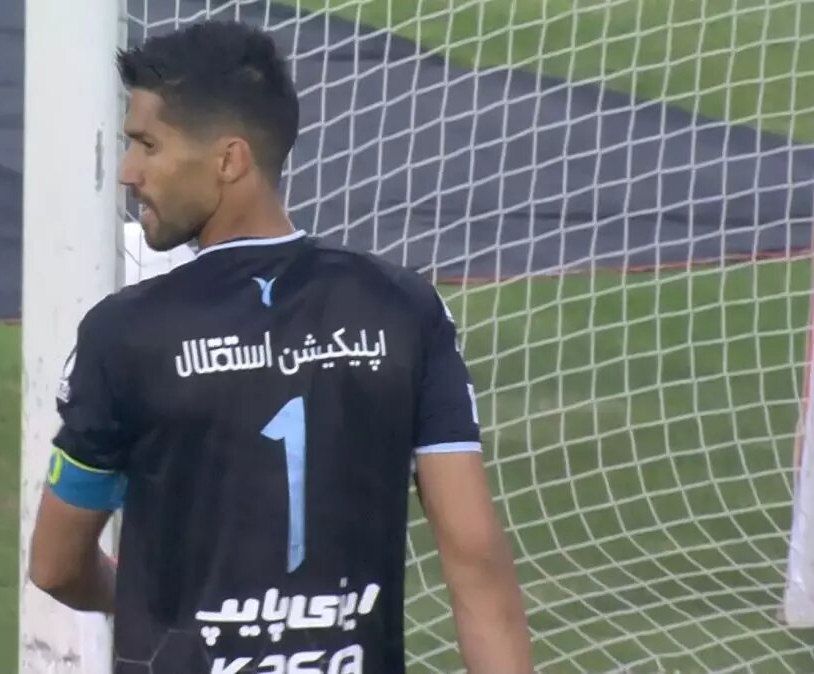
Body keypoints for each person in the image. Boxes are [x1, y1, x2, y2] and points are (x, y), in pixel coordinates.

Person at [28, 19, 533, 674]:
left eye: (148, 144)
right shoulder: (404, 310)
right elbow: (475, 563)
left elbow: (56, 564)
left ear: (229, 160)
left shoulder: (125, 335)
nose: (128, 171)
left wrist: (146, 604)